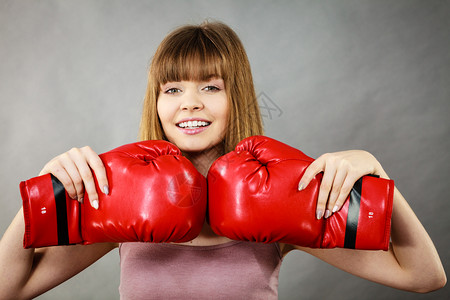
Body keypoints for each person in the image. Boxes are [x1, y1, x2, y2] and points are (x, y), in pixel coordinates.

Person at [0, 21, 446, 299]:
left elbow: (423, 277)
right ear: (156, 104)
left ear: (237, 98)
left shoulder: (282, 197)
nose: (189, 104)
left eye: (210, 87)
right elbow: (9, 288)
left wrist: (377, 176)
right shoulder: (122, 199)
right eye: (172, 89)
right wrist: (46, 190)